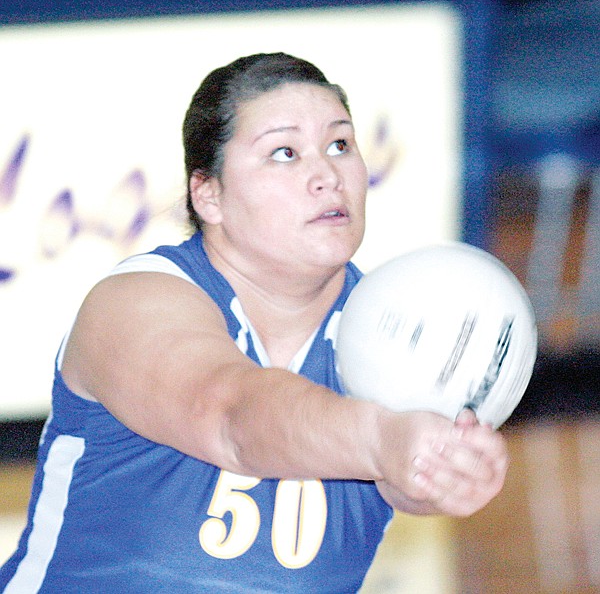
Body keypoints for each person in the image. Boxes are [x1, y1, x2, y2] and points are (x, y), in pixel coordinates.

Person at [0, 52, 508, 593]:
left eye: (340, 144)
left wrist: (443, 472)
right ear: (209, 194)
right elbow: (231, 418)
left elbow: (399, 473)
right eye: (284, 153)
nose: (327, 176)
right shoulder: (132, 303)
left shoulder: (397, 333)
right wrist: (384, 441)